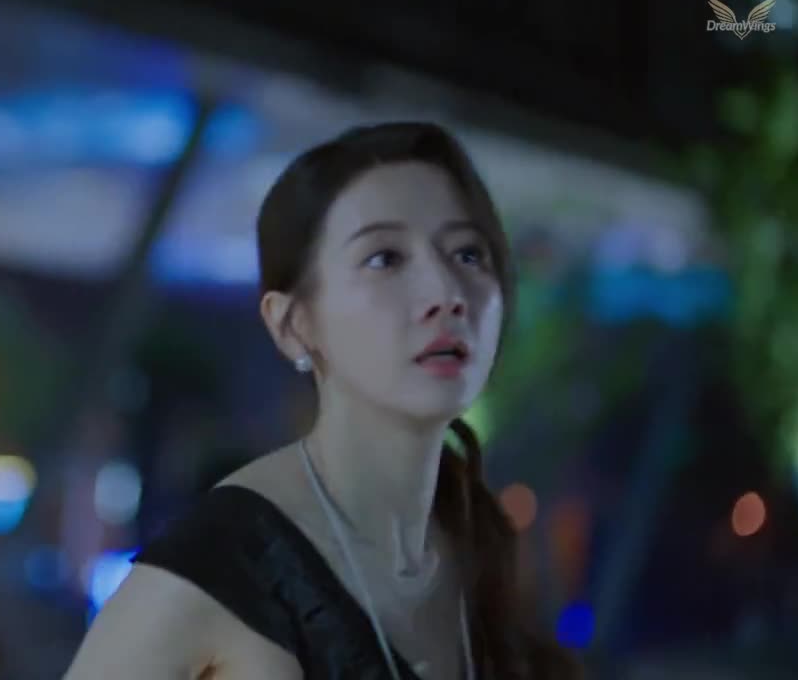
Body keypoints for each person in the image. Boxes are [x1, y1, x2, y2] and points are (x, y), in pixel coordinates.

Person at [64, 122, 581, 679]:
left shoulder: (469, 550)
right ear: (292, 325)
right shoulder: (221, 566)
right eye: (385, 258)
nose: (446, 293)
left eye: (468, 254)